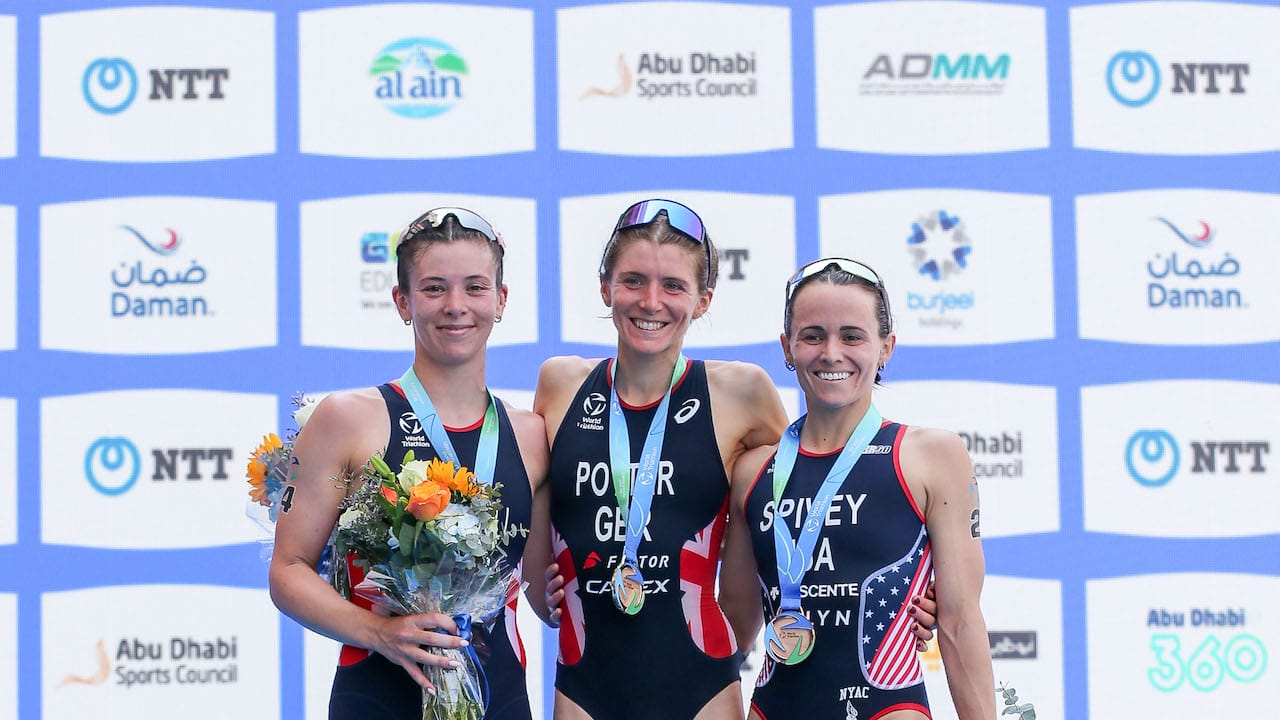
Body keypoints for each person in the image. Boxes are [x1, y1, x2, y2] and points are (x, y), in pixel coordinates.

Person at [532, 202, 936, 720]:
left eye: (673, 285)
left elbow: (810, 493)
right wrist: (536, 586)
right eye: (633, 280)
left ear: (703, 300)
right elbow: (528, 513)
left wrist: (911, 595)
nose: (651, 301)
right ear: (605, 286)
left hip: (704, 689)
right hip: (583, 689)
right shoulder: (560, 384)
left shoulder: (742, 392)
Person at [268, 207, 552, 720]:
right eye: (434, 288)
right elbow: (287, 571)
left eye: (475, 287)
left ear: (501, 299)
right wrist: (379, 632)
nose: (456, 306)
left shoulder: (531, 435)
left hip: (501, 701)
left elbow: (541, 592)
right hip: (377, 699)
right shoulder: (347, 419)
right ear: (403, 301)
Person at [719, 258, 995, 720]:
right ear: (787, 347)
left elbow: (960, 622)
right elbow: (733, 628)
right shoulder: (752, 471)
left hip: (888, 708)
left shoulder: (932, 456)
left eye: (852, 336)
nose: (831, 353)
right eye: (813, 336)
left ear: (886, 347)